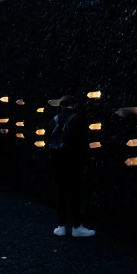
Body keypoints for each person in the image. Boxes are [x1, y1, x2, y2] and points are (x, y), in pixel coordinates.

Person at [47, 96, 95, 237]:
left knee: (61, 194)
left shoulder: (54, 120)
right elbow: (83, 144)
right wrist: (87, 162)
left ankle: (61, 226)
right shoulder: (78, 120)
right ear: (74, 105)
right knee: (76, 194)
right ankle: (77, 227)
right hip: (74, 163)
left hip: (58, 163)